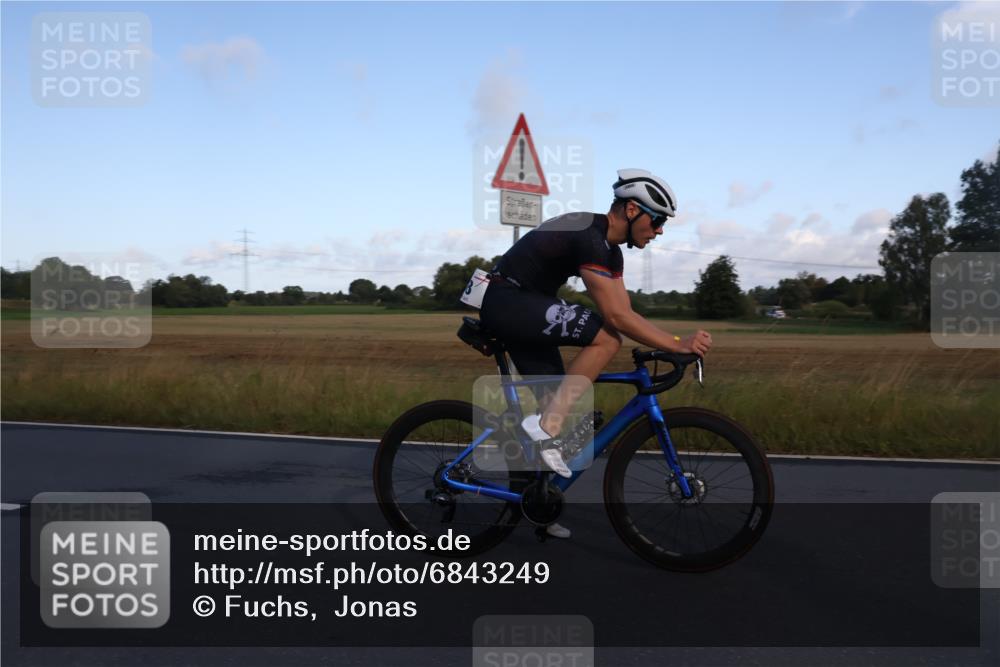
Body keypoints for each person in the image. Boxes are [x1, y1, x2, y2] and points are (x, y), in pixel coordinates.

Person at [479, 169, 713, 538]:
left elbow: (627, 312)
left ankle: (539, 503)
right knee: (606, 338)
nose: (660, 231)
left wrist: (670, 339)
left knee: (559, 402)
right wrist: (675, 344)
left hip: (526, 305)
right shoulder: (588, 234)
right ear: (633, 210)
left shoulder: (611, 253)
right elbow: (617, 318)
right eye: (658, 221)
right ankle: (545, 425)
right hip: (508, 301)